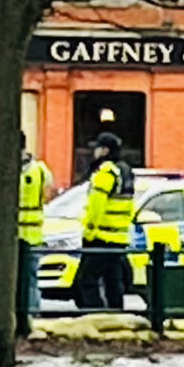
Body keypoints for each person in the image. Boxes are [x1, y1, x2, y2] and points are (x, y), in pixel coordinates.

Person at [75, 133, 135, 310]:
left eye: (97, 148)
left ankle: (95, 315)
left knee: (86, 281)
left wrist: (90, 230)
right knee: (113, 282)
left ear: (105, 150)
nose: (94, 152)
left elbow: (96, 205)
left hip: (101, 235)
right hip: (119, 238)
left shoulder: (105, 172)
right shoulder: (125, 171)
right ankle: (116, 316)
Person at [18, 141, 56, 316]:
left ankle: (28, 314)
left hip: (21, 233)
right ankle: (32, 313)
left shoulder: (11, 170)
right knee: (31, 279)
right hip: (33, 232)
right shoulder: (41, 170)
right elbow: (49, 192)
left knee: (26, 278)